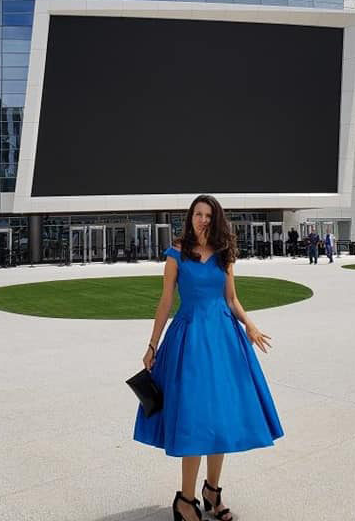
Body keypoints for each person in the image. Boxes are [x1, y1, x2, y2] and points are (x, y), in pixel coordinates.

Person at [134, 194, 284, 521]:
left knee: (221, 418)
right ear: (189, 218)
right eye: (197, 214)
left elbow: (231, 299)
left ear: (216, 219)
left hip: (225, 340)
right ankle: (185, 500)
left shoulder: (225, 254)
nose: (202, 219)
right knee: (194, 418)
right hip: (189, 341)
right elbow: (165, 302)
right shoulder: (176, 253)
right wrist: (152, 345)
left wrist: (250, 325)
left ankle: (211, 492)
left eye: (208, 214)